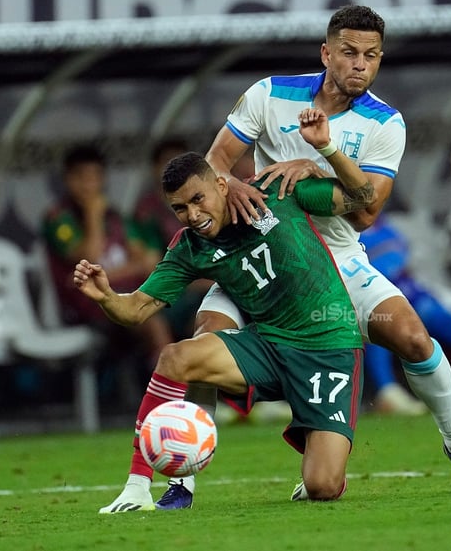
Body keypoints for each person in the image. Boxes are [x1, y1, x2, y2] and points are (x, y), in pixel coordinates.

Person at [151, 3, 451, 511]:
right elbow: (215, 163)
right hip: (262, 253)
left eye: (372, 56)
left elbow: (366, 213)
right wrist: (232, 185)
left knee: (412, 336)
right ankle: (181, 482)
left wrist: (316, 164)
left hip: (338, 258)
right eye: (349, 53)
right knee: (204, 340)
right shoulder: (270, 94)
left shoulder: (385, 122)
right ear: (326, 53)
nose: (360, 64)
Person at [87, 149, 377, 512]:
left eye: (198, 199)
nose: (192, 215)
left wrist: (324, 159)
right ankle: (138, 487)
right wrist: (106, 296)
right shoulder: (190, 247)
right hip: (268, 345)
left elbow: (365, 198)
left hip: (329, 347)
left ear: (221, 185)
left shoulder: (279, 193)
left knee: (322, 485)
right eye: (179, 208)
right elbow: (135, 310)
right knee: (177, 357)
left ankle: (323, 466)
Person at [42, 144, 173, 401]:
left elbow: (148, 260)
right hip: (85, 307)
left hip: (127, 295)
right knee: (151, 320)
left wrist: (110, 273)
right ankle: (169, 397)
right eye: (82, 177)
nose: (90, 185)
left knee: (180, 312)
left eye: (95, 177)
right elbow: (87, 259)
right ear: (69, 180)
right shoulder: (59, 219)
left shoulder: (115, 218)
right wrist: (92, 214)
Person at [359, 213, 451, 414]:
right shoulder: (343, 231)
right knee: (378, 322)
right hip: (374, 300)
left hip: (413, 296)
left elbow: (404, 262)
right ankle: (386, 392)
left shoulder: (386, 225)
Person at [132, 138, 213, 340]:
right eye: (167, 163)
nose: (175, 170)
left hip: (211, 284)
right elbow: (152, 267)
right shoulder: (146, 212)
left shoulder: (209, 203)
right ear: (154, 168)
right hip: (178, 293)